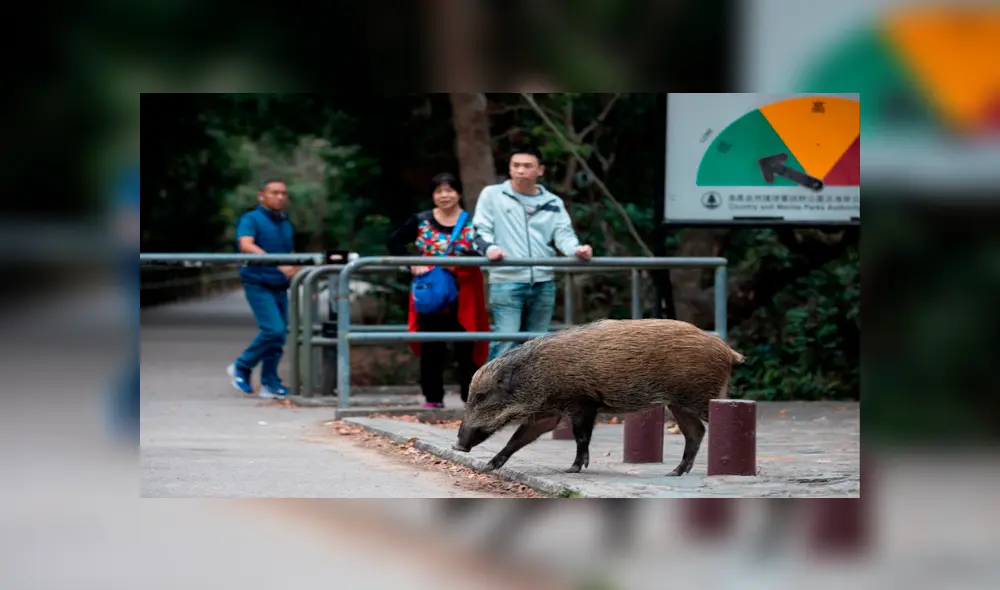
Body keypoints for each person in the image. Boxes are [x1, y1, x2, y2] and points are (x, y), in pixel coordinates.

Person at [471, 144, 593, 360]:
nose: (520, 171)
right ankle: (490, 393)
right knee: (506, 341)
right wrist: (490, 249)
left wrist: (577, 250)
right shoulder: (493, 195)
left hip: (543, 280)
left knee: (537, 346)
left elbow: (563, 234)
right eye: (515, 165)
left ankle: (527, 394)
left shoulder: (552, 202)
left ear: (540, 170)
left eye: (527, 166)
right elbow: (479, 230)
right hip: (506, 278)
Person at [387, 173, 490, 408]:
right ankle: (432, 398)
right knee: (431, 343)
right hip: (432, 290)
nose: (444, 196)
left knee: (468, 345)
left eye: (449, 190)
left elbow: (485, 248)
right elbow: (394, 242)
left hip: (465, 292)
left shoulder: (474, 221)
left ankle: (471, 399)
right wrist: (413, 262)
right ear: (432, 196)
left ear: (459, 193)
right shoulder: (421, 220)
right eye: (438, 191)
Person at [227, 179, 299, 399]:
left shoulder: (285, 224)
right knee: (273, 330)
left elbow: (289, 253)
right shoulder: (251, 219)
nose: (280, 197)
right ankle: (241, 365)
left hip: (279, 285)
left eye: (283, 193)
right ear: (262, 195)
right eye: (274, 193)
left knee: (279, 336)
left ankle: (270, 382)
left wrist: (296, 269)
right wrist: (276, 263)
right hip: (258, 282)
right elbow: (246, 244)